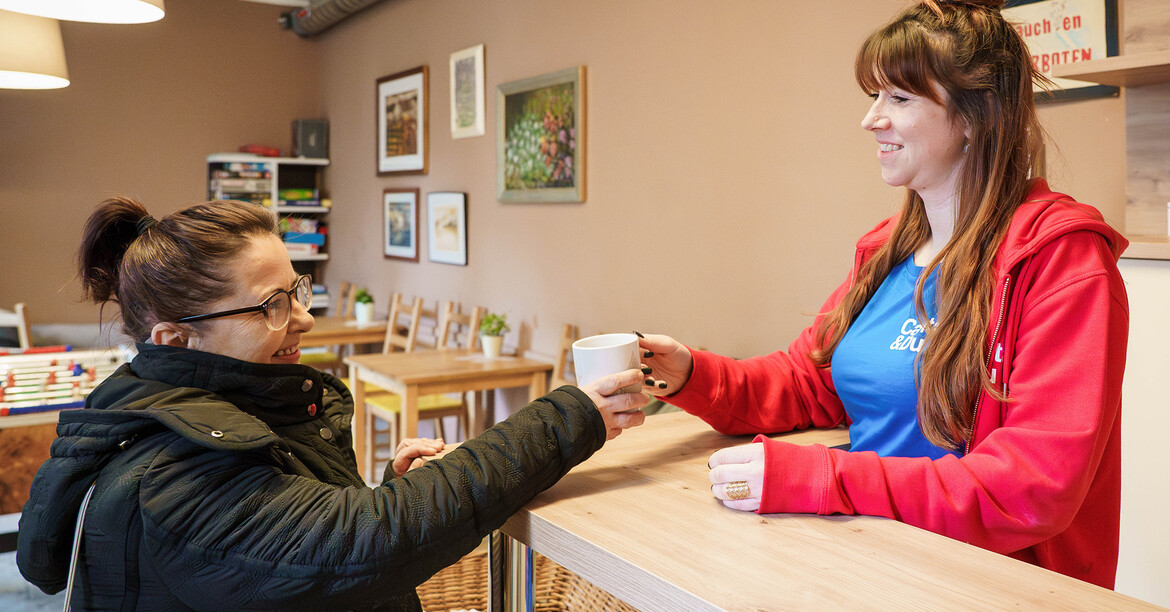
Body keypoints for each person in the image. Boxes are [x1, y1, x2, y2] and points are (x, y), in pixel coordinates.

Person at [637, 0, 1128, 589]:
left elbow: (1031, 487)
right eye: (875, 97)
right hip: (870, 562)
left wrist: (825, 478)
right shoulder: (888, 251)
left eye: (899, 99)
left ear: (977, 116)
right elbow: (806, 383)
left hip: (990, 586)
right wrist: (691, 373)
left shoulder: (1062, 261)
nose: (871, 120)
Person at [18, 196, 649, 610]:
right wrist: (572, 414)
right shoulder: (172, 476)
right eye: (271, 305)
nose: (302, 319)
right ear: (176, 337)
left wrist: (373, 491)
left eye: (297, 289)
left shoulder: (227, 415)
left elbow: (295, 552)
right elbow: (372, 543)